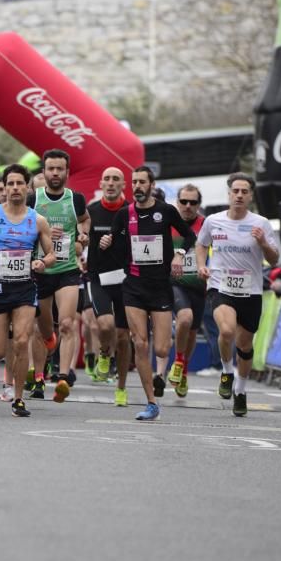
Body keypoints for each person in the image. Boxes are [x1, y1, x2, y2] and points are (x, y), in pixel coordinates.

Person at [100, 166, 196, 421]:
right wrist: (106, 242)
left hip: (160, 287)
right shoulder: (124, 214)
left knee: (162, 349)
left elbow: (189, 235)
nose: (138, 187)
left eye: (142, 182)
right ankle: (151, 403)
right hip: (133, 286)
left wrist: (179, 254)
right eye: (135, 183)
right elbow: (114, 242)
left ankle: (170, 363)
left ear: (152, 185)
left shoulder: (165, 212)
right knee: (140, 343)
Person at [0, 164, 56, 417]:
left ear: (27, 187)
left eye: (20, 183)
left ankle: (18, 399)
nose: (15, 188)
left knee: (20, 341)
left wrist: (42, 262)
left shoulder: (37, 220)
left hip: (25, 289)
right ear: (4, 188)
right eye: (11, 184)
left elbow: (51, 254)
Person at [196, 173, 278, 417]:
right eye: (236, 191)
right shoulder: (213, 220)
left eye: (244, 191)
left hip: (250, 290)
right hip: (221, 286)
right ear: (229, 194)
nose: (239, 195)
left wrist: (263, 243)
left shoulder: (261, 223)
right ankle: (226, 371)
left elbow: (274, 260)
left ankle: (240, 391)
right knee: (227, 331)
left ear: (251, 195)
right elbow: (201, 244)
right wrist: (202, 265)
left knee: (244, 344)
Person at [28, 149, 90, 402]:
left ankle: (63, 377)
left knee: (66, 323)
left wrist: (84, 235)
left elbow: (85, 220)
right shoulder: (33, 198)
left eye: (59, 169)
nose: (55, 173)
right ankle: (39, 378)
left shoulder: (76, 199)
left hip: (67, 270)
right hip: (41, 270)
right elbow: (21, 226)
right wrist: (41, 236)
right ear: (44, 171)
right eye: (50, 168)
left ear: (66, 171)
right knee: (41, 331)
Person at [85, 167, 132, 405]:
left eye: (116, 179)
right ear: (101, 183)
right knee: (105, 324)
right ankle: (104, 353)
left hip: (126, 280)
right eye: (107, 179)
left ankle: (121, 388)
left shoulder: (131, 212)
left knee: (124, 337)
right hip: (99, 278)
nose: (111, 183)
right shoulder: (91, 211)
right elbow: (80, 239)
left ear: (124, 185)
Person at [167, 183, 207, 397]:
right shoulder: (169, 222)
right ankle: (179, 362)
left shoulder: (206, 224)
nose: (188, 206)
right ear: (177, 202)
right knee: (184, 318)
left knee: (191, 331)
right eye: (184, 201)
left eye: (193, 202)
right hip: (174, 283)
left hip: (199, 286)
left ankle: (183, 371)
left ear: (199, 205)